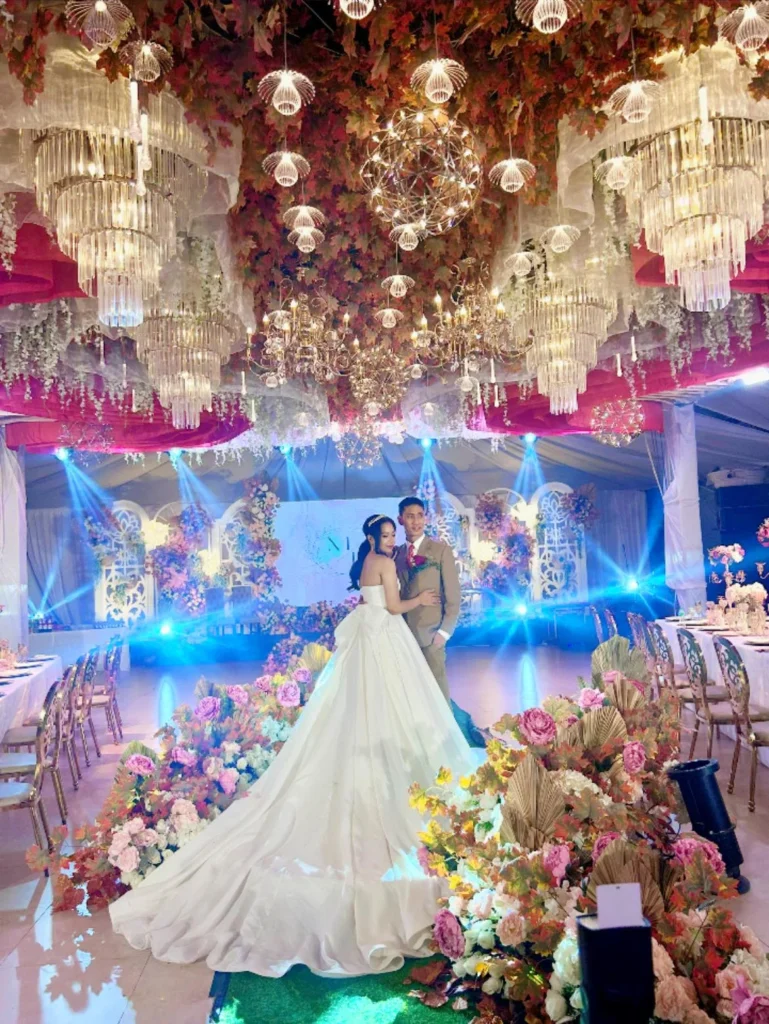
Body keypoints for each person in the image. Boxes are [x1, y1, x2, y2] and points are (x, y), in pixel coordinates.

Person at [110, 514, 476, 977]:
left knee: (363, 702)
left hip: (371, 636)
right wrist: (420, 598)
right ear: (372, 537)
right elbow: (393, 607)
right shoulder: (382, 562)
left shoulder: (367, 563)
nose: (389, 540)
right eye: (384, 534)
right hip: (383, 634)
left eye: (391, 534)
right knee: (390, 702)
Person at [396, 496, 487, 749]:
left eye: (420, 515)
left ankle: (447, 745)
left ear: (425, 518)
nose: (415, 521)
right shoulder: (397, 554)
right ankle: (418, 743)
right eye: (410, 516)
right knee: (409, 691)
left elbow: (453, 596)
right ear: (400, 519)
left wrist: (444, 633)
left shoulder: (440, 551)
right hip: (402, 636)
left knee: (437, 690)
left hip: (431, 635)